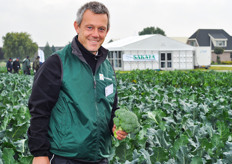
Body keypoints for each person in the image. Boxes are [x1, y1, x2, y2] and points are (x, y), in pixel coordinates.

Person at [27, 1, 128, 164]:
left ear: (107, 31)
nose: (95, 34)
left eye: (101, 29)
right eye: (90, 27)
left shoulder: (108, 67)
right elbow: (39, 110)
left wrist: (114, 126)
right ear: (77, 26)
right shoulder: (57, 63)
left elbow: (111, 108)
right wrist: (39, 154)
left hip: (101, 158)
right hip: (65, 157)